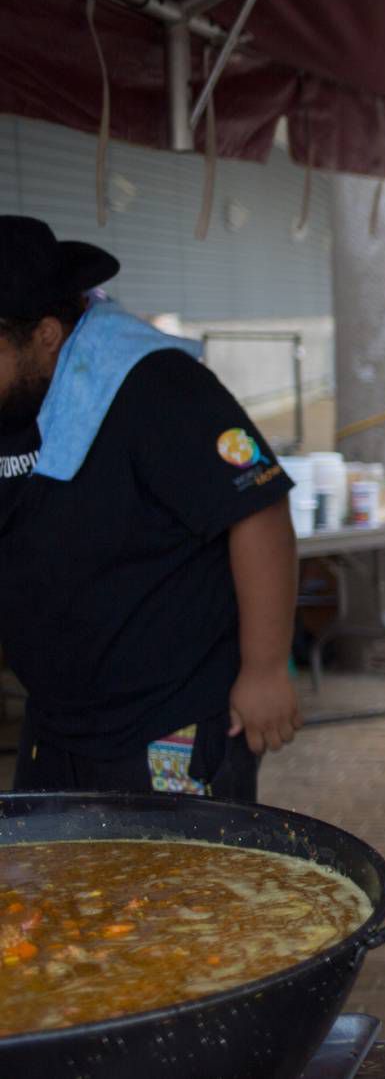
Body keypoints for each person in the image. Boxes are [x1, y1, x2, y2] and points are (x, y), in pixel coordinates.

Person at [0, 216, 299, 799]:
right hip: (59, 725)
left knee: (174, 891)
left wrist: (266, 668)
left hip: (171, 722)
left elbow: (258, 510)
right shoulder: (13, 397)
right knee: (49, 888)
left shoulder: (157, 387)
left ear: (45, 335)